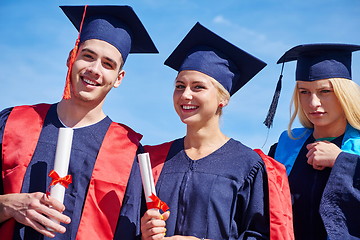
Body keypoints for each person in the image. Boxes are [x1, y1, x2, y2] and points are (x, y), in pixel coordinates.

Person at [0, 5, 158, 240]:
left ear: (118, 79)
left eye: (108, 64)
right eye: (88, 56)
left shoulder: (127, 152)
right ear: (71, 58)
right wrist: (6, 204)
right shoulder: (13, 123)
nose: (94, 69)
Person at [139, 22, 293, 240]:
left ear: (223, 99)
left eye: (198, 87)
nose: (185, 95)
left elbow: (259, 235)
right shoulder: (154, 160)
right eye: (180, 86)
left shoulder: (248, 165)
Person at [268, 43, 360, 240]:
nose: (313, 103)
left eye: (325, 91)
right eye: (304, 92)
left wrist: (342, 161)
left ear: (345, 94)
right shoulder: (283, 149)